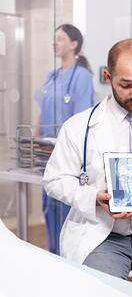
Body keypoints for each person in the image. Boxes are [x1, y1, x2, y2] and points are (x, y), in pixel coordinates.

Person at [43, 39, 132, 290]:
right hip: (105, 237)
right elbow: (54, 180)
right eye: (125, 85)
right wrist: (93, 198)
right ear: (108, 76)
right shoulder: (79, 127)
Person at [36, 24, 94, 255]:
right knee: (49, 206)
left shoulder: (82, 77)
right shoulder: (51, 76)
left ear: (74, 44)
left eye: (60, 39)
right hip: (46, 152)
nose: (55, 43)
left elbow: (82, 119)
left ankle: (67, 262)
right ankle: (53, 257)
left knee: (65, 208)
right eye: (54, 39)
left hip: (68, 154)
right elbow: (41, 110)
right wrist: (36, 142)